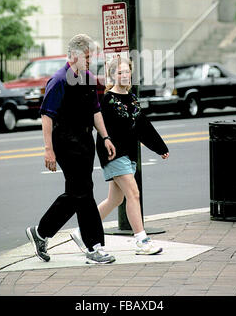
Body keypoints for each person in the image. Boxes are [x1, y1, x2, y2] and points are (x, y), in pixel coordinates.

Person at [26, 34, 116, 265]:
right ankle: (94, 246)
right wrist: (48, 150)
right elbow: (47, 116)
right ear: (75, 55)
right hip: (65, 141)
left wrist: (105, 136)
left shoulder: (87, 77)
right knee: (84, 193)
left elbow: (96, 111)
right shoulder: (59, 80)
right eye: (87, 57)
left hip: (85, 141)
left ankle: (41, 233)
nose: (90, 61)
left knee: (77, 193)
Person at [70, 56, 169, 256]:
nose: (124, 75)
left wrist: (160, 147)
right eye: (119, 72)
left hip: (129, 154)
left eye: (126, 71)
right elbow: (98, 127)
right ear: (112, 75)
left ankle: (82, 231)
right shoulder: (107, 100)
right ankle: (142, 240)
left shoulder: (132, 98)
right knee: (133, 194)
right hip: (114, 154)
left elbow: (143, 126)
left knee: (115, 200)